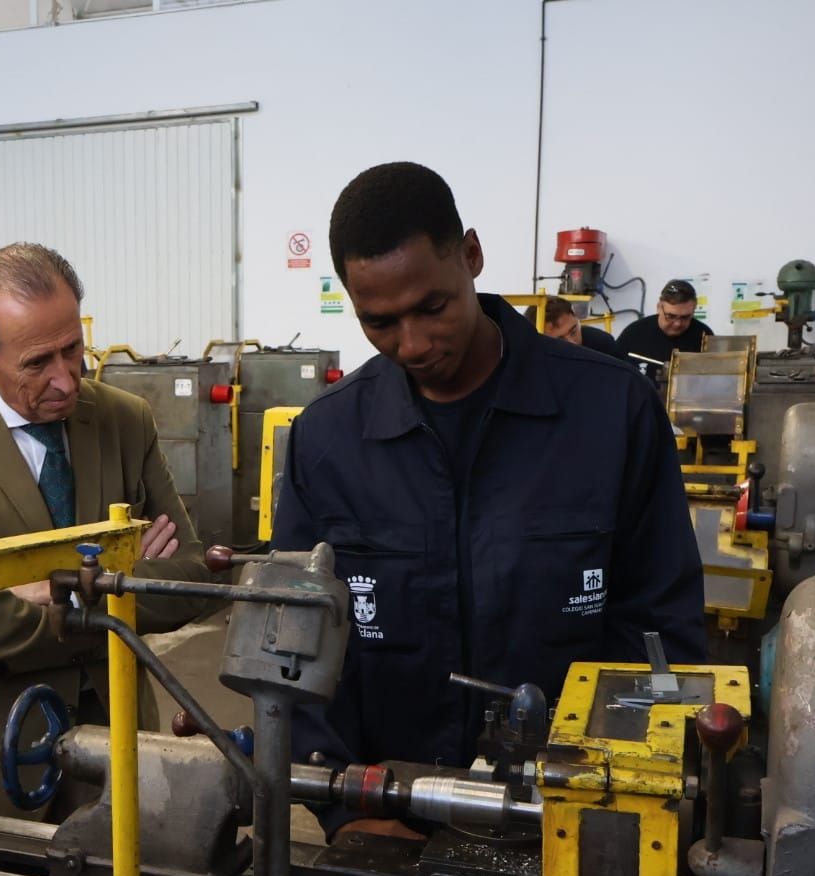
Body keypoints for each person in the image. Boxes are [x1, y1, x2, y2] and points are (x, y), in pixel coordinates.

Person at [272, 163, 704, 841]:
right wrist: (340, 801)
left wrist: (614, 799)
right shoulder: (325, 441)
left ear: (470, 255)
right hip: (389, 819)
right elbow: (293, 638)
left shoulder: (612, 412)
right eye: (379, 322)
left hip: (571, 817)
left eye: (432, 307)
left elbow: (660, 627)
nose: (412, 344)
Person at [0, 242, 213, 817]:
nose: (66, 380)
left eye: (73, 349)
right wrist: (123, 584)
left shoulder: (124, 421)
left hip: (114, 734)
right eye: (37, 363)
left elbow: (188, 577)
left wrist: (48, 589)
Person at [616, 279, 715, 369]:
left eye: (685, 317)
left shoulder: (704, 336)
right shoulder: (634, 334)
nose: (677, 324)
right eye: (671, 316)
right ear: (659, 308)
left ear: (694, 310)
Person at [522, 295, 629, 365]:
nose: (573, 342)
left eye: (573, 331)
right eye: (560, 340)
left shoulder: (602, 345)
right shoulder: (531, 362)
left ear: (577, 319)